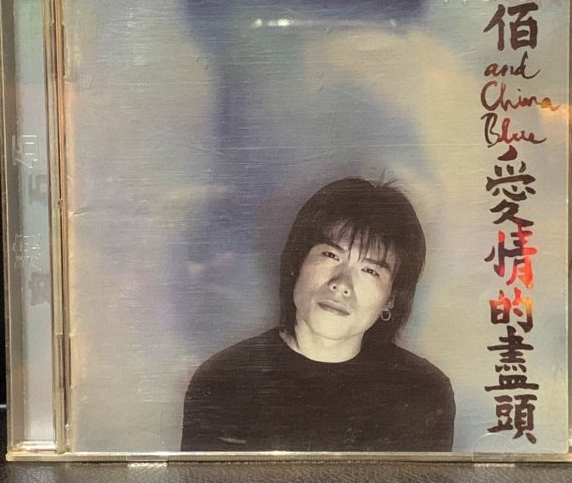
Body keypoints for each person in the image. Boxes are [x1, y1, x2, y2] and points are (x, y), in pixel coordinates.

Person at [181, 178, 455, 452]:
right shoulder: (223, 379)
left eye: (370, 270)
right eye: (331, 255)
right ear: (297, 263)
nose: (342, 284)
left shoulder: (423, 391)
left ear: (391, 299)